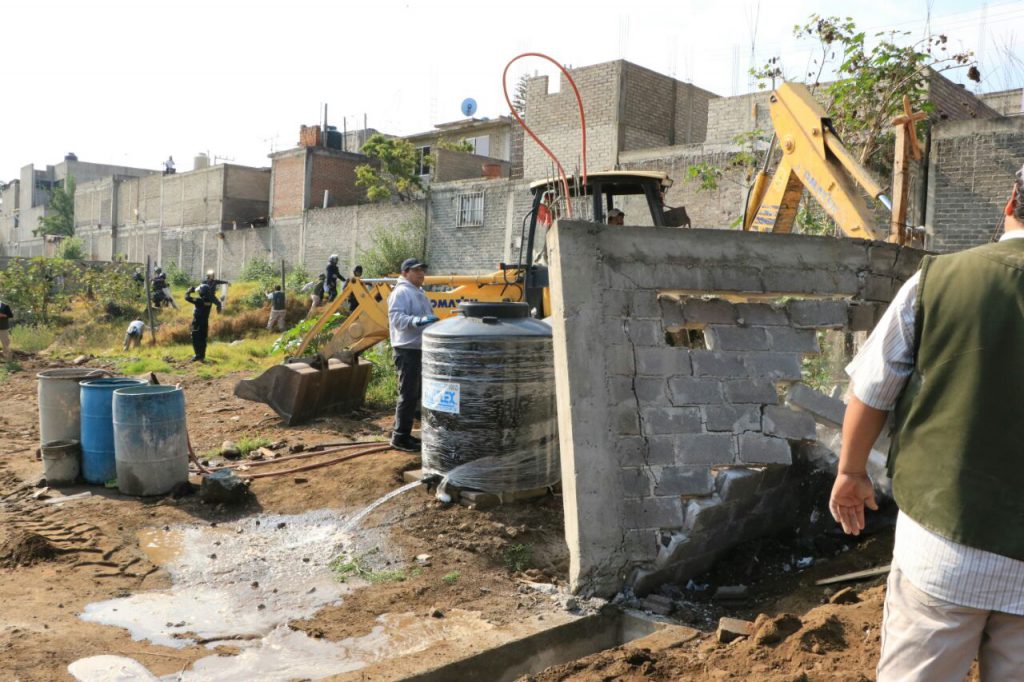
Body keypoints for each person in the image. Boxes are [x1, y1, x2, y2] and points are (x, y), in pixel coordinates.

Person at [831, 164, 1024, 680]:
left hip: (943, 553)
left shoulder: (939, 281)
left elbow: (871, 389)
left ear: (1010, 201)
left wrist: (851, 472)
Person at [386, 258, 438, 452]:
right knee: (407, 394)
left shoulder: (419, 292)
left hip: (419, 348)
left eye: (423, 271)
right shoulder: (401, 292)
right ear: (406, 272)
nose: (421, 274)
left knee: (416, 394)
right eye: (417, 271)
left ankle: (407, 434)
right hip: (407, 350)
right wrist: (418, 321)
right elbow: (397, 319)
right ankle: (399, 437)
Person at [184, 279, 222, 362]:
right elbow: (217, 302)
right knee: (203, 338)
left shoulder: (199, 301)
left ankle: (197, 355)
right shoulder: (209, 301)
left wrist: (188, 291)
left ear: (202, 292)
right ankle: (202, 355)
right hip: (205, 322)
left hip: (197, 322)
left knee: (195, 337)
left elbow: (186, 298)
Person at [0, 296, 13, 363]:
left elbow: (10, 315)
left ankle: (8, 361)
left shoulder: (5, 306)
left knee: (5, 343)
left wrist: (3, 315)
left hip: (3, 328)